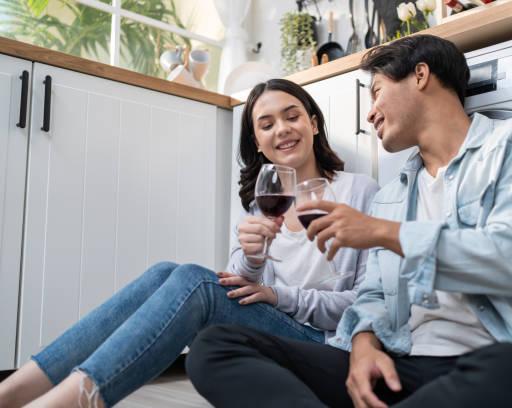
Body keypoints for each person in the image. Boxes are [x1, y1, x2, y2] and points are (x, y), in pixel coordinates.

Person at [185, 35, 512, 408]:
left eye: (377, 93)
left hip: (493, 364)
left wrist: (383, 232)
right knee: (214, 346)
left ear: (420, 75)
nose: (370, 115)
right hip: (405, 367)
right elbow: (373, 297)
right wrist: (363, 346)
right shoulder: (394, 193)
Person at [0, 79, 379, 408]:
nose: (282, 129)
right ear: (258, 143)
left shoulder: (359, 192)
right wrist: (252, 257)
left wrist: (278, 296)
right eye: (267, 124)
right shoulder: (260, 204)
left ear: (313, 123)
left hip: (329, 341)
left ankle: (75, 400)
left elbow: (367, 304)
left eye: (292, 116)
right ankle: (11, 393)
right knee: (166, 272)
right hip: (272, 326)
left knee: (196, 282)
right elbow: (238, 285)